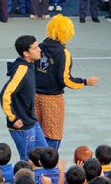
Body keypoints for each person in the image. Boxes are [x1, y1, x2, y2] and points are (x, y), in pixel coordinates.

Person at [34, 16, 99, 149]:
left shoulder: (39, 47)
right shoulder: (63, 53)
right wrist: (85, 82)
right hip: (52, 99)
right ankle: (49, 164)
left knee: (37, 133)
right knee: (53, 134)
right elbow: (66, 80)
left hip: (35, 96)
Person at [1, 35, 46, 161]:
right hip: (22, 126)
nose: (39, 50)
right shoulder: (22, 70)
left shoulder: (29, 65)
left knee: (46, 155)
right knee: (28, 161)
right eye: (35, 48)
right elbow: (5, 94)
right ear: (26, 53)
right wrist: (13, 118)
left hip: (32, 121)